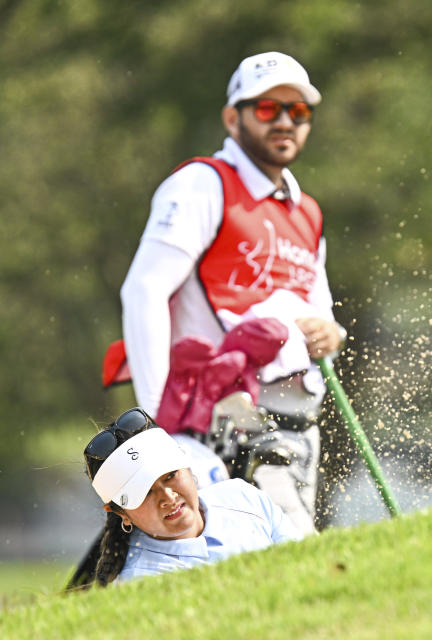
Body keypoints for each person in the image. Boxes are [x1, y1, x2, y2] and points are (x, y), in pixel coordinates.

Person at [118, 51, 349, 533]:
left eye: (298, 111)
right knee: (283, 548)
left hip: (299, 418)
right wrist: (160, 423)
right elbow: (143, 291)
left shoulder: (307, 211)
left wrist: (330, 332)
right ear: (233, 117)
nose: (285, 120)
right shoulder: (202, 185)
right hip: (224, 419)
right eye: (267, 108)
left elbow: (321, 312)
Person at [77, 408, 303, 586]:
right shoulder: (141, 582)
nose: (167, 496)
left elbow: (306, 565)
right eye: (145, 493)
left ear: (188, 467)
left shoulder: (244, 497)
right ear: (121, 514)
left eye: (171, 475)